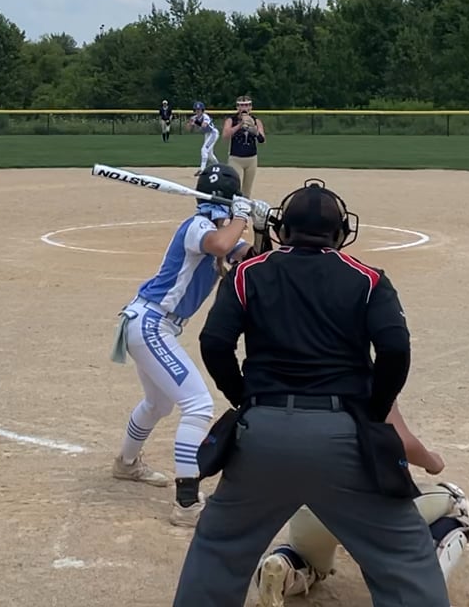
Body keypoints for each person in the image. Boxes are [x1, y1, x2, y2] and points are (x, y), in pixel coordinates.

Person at [173, 179, 449, 607]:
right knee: (403, 557)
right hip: (345, 435)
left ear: (283, 230)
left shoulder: (248, 273)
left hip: (262, 435)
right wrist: (374, 411)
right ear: (341, 232)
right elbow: (395, 349)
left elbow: (214, 342)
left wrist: (245, 398)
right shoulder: (368, 278)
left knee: (219, 548)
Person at [111, 163, 254, 527]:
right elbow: (220, 245)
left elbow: (249, 256)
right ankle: (187, 504)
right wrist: (241, 216)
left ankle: (126, 463)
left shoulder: (216, 229)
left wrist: (260, 221)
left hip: (153, 324)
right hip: (152, 324)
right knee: (198, 405)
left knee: (158, 403)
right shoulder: (199, 228)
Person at [249, 403, 469, 606]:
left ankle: (284, 564)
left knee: (309, 558)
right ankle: (421, 578)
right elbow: (404, 442)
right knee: (457, 502)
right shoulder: (361, 375)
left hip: (309, 504)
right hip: (366, 506)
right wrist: (433, 462)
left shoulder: (286, 379)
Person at [225, 96, 266, 199]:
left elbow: (262, 139)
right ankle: (233, 206)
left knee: (247, 190)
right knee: (235, 187)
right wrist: (240, 125)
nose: (244, 108)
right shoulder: (231, 120)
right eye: (241, 105)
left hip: (251, 159)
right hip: (236, 158)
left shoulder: (256, 121)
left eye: (247, 105)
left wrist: (254, 130)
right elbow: (225, 135)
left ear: (250, 107)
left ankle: (245, 206)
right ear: (237, 107)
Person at [189, 101, 220, 173]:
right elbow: (191, 130)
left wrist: (195, 122)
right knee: (210, 155)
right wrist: (192, 125)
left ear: (202, 110)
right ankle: (218, 167)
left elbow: (204, 125)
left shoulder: (205, 116)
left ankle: (202, 169)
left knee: (204, 150)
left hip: (213, 133)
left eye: (199, 109)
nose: (197, 111)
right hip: (207, 134)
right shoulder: (194, 118)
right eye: (196, 109)